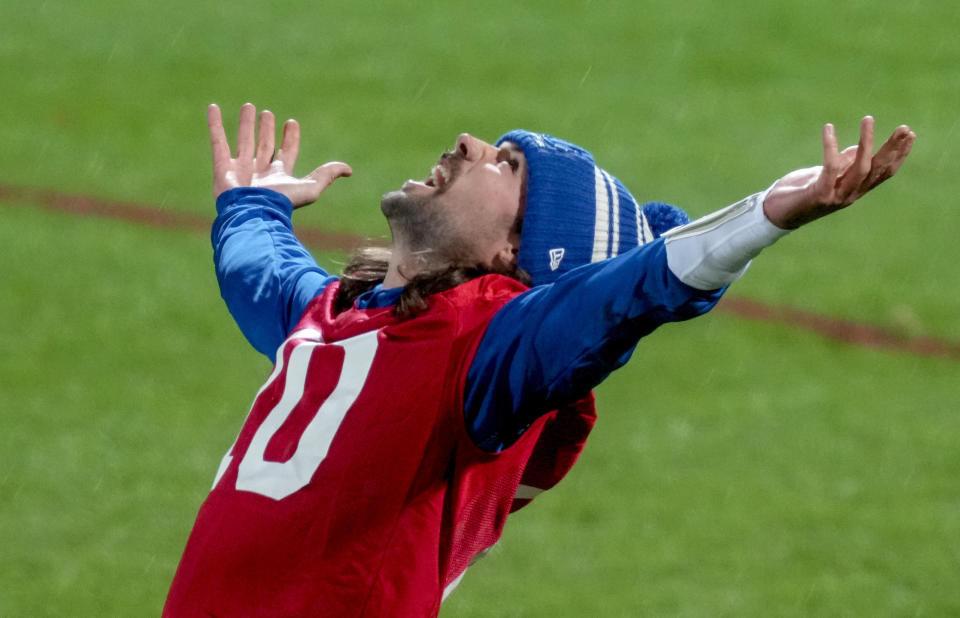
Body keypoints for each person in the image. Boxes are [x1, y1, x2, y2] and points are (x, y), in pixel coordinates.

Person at [163, 103, 915, 616]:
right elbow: (260, 274)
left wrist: (765, 216)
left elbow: (630, 295)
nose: (468, 143)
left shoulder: (481, 356)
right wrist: (253, 205)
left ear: (515, 253)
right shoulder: (340, 320)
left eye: (508, 164)